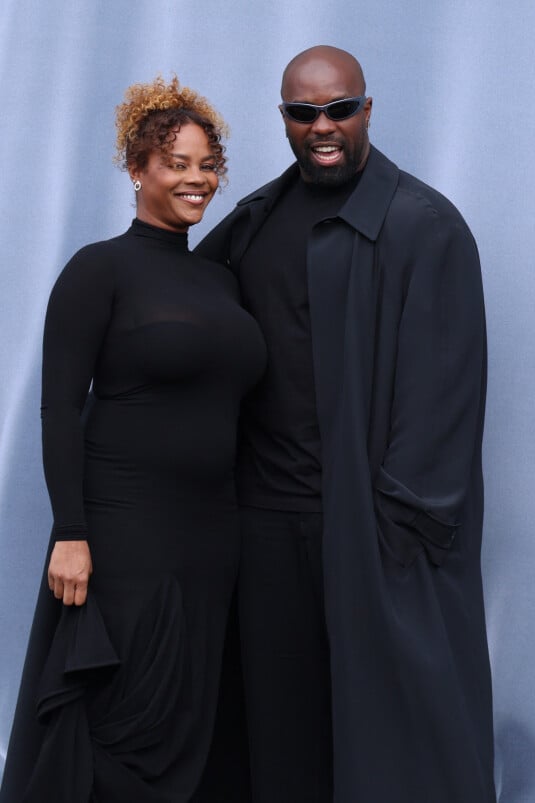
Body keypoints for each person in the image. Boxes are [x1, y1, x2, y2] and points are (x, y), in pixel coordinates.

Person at [194, 45, 496, 803]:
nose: (322, 126)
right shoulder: (254, 220)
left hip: (364, 529)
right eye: (304, 113)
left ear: (367, 109)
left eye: (339, 109)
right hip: (265, 522)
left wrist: (396, 531)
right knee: (278, 730)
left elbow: (444, 406)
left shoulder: (423, 226)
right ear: (285, 119)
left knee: (385, 738)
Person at [0, 76, 264, 802]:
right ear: (137, 168)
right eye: (176, 162)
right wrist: (71, 532)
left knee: (193, 706)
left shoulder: (222, 284)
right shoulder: (99, 269)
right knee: (123, 707)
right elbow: (59, 408)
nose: (196, 179)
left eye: (207, 164)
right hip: (124, 530)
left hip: (214, 534)